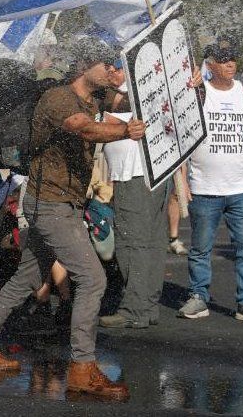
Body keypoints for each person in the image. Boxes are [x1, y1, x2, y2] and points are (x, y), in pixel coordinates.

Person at [0, 43, 144, 401]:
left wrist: (182, 88)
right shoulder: (59, 98)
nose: (111, 69)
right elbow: (85, 130)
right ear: (82, 66)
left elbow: (130, 103)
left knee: (26, 277)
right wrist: (125, 132)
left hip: (62, 203)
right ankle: (81, 369)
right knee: (92, 279)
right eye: (105, 64)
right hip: (51, 205)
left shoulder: (98, 96)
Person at [177, 43, 243, 323]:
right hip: (204, 189)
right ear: (210, 65)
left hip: (241, 189)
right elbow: (181, 139)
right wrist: (183, 181)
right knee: (200, 248)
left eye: (233, 59)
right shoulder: (197, 93)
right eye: (223, 60)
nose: (231, 64)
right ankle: (199, 297)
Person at [99, 63, 169, 329]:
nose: (111, 74)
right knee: (150, 241)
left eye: (114, 67)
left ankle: (134, 309)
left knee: (132, 243)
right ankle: (146, 306)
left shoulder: (130, 92)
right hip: (146, 172)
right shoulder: (147, 87)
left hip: (136, 174)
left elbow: (112, 111)